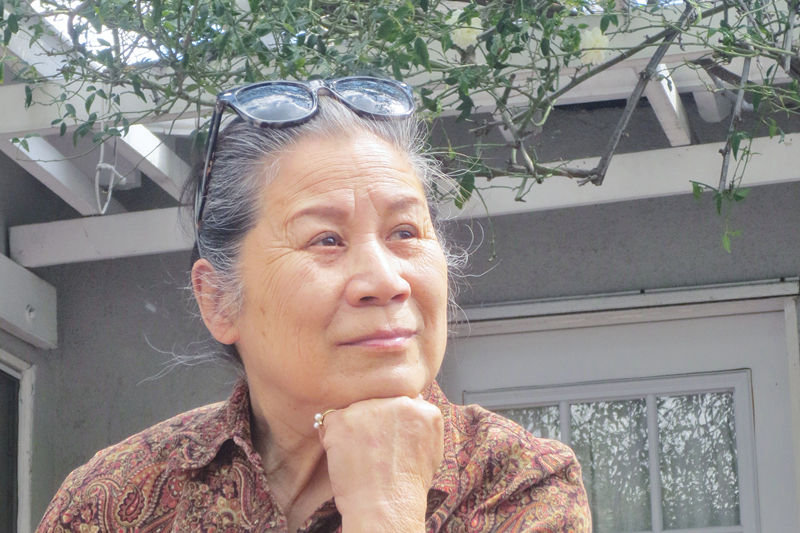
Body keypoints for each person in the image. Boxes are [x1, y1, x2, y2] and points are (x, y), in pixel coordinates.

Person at [36, 77, 591, 533]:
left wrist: (387, 510)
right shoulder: (112, 503)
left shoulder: (517, 482)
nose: (386, 281)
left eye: (404, 232)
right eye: (326, 240)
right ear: (219, 300)